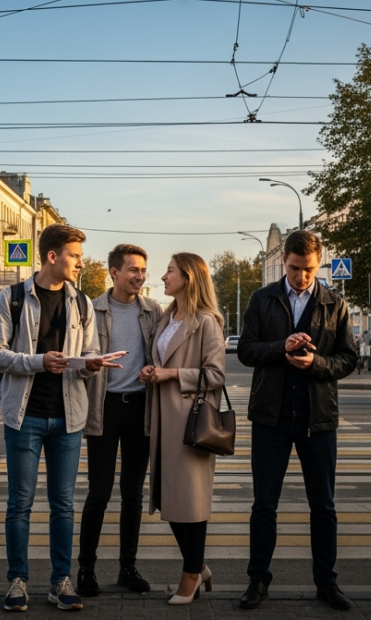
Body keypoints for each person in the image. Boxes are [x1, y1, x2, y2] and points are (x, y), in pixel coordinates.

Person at [0, 224, 119, 612]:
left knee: (63, 505)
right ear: (52, 256)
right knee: (20, 504)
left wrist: (91, 365)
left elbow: (89, 351)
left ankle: (61, 580)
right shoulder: (11, 298)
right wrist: (38, 362)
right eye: (75, 256)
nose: (80, 262)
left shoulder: (81, 303)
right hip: (24, 415)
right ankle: (17, 581)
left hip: (69, 417)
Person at [236, 230, 360, 611]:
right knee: (264, 505)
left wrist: (316, 363)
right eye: (293, 268)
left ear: (318, 262)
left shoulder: (334, 304)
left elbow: (348, 359)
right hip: (270, 418)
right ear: (285, 261)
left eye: (308, 269)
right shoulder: (262, 298)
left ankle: (326, 582)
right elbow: (245, 351)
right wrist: (282, 347)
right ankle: (258, 581)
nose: (301, 277)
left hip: (318, 419)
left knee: (323, 506)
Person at [137, 253, 226, 605]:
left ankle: (190, 574)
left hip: (192, 422)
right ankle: (198, 565)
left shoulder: (207, 322)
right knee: (170, 500)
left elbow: (216, 375)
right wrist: (151, 371)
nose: (163, 276)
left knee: (191, 501)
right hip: (162, 419)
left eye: (170, 271)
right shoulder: (166, 317)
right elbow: (161, 359)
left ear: (189, 277)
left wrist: (171, 375)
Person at [77, 244, 163, 596]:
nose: (140, 276)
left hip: (140, 409)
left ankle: (128, 567)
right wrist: (87, 363)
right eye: (133, 270)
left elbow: (163, 350)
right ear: (114, 272)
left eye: (143, 270)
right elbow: (79, 355)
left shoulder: (153, 311)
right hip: (104, 408)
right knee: (99, 492)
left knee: (133, 495)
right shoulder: (91, 309)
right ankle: (86, 570)